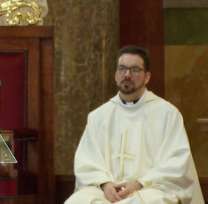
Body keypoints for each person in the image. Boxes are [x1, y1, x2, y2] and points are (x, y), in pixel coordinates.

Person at [66, 46, 204, 204]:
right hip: (106, 191)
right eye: (122, 69)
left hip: (150, 188)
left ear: (147, 77)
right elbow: (87, 161)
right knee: (78, 201)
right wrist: (105, 184)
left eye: (134, 70)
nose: (127, 74)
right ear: (115, 75)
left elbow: (176, 162)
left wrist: (140, 183)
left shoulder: (167, 114)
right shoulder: (98, 116)